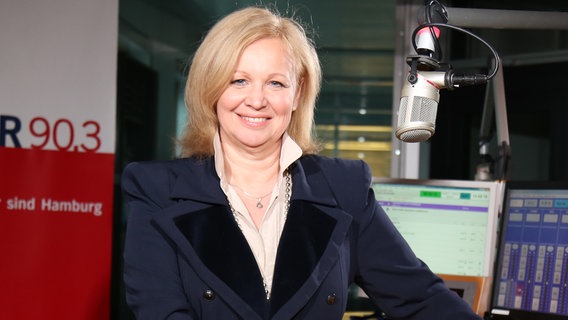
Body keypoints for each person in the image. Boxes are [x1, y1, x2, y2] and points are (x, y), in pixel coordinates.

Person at [122, 6, 483, 320]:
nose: (257, 100)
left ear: (297, 94)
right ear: (211, 89)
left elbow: (420, 299)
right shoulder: (157, 191)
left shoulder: (343, 188)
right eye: (239, 80)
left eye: (276, 83)